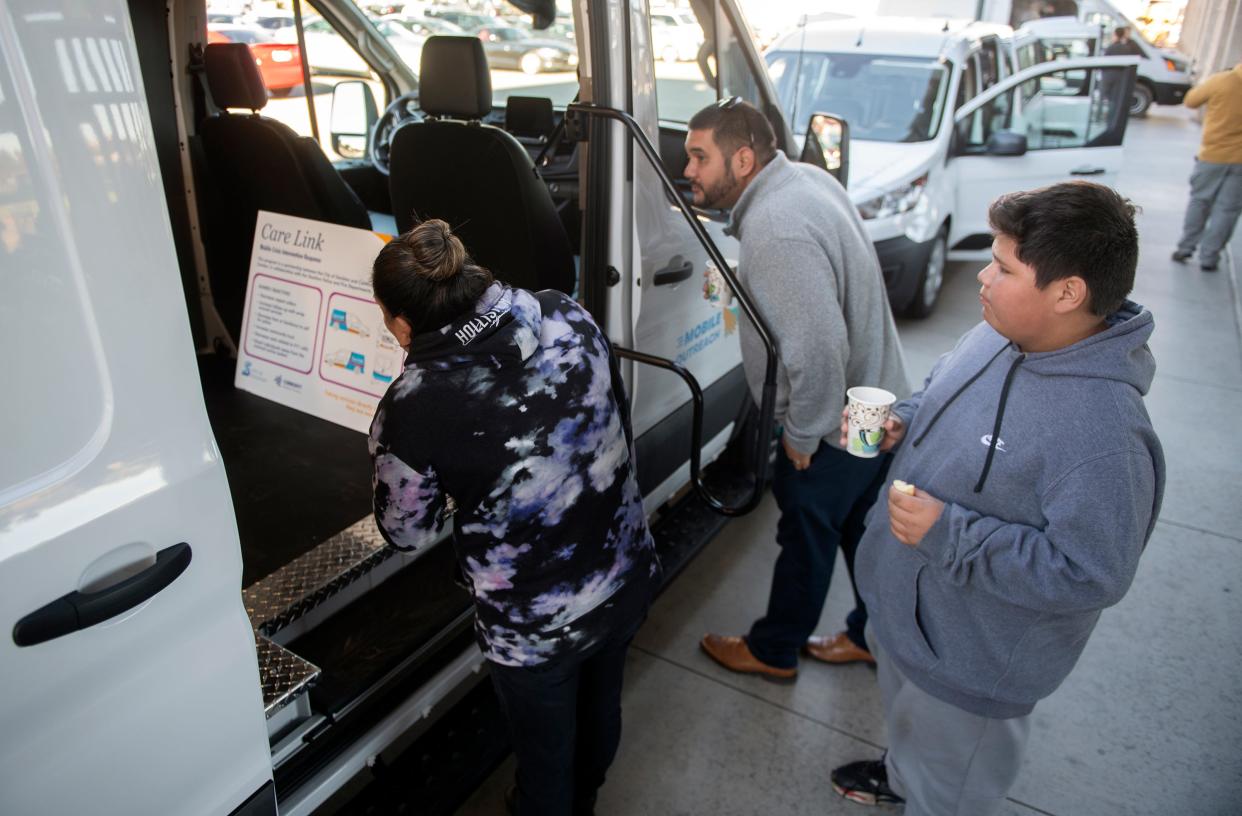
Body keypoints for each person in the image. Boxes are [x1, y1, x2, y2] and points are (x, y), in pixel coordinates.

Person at [831, 181, 1165, 815]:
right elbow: (935, 395)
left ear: (1068, 293)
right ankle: (903, 778)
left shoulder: (1105, 432)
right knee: (913, 745)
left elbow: (1092, 573)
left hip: (970, 669)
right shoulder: (997, 334)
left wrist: (946, 532)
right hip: (908, 618)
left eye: (1005, 266)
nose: (983, 275)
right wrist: (901, 421)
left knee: (950, 793)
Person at [368, 219, 661, 815]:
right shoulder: (565, 311)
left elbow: (407, 531)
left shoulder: (413, 406)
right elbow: (616, 420)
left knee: (544, 759)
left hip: (535, 629)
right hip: (624, 571)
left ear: (401, 323)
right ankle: (587, 798)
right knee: (602, 708)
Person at [687, 98, 910, 679]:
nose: (688, 171)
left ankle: (773, 650)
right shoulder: (806, 180)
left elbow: (816, 349)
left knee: (807, 532)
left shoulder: (774, 228)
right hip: (873, 404)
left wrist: (804, 434)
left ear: (741, 159)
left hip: (835, 420)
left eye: (698, 157)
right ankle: (871, 635)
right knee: (862, 526)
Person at [1172, 60, 1242, 272]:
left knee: (1200, 201)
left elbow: (1191, 100)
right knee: (1227, 210)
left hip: (1212, 156)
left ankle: (1186, 247)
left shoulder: (1222, 80)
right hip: (1240, 162)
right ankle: (1209, 257)